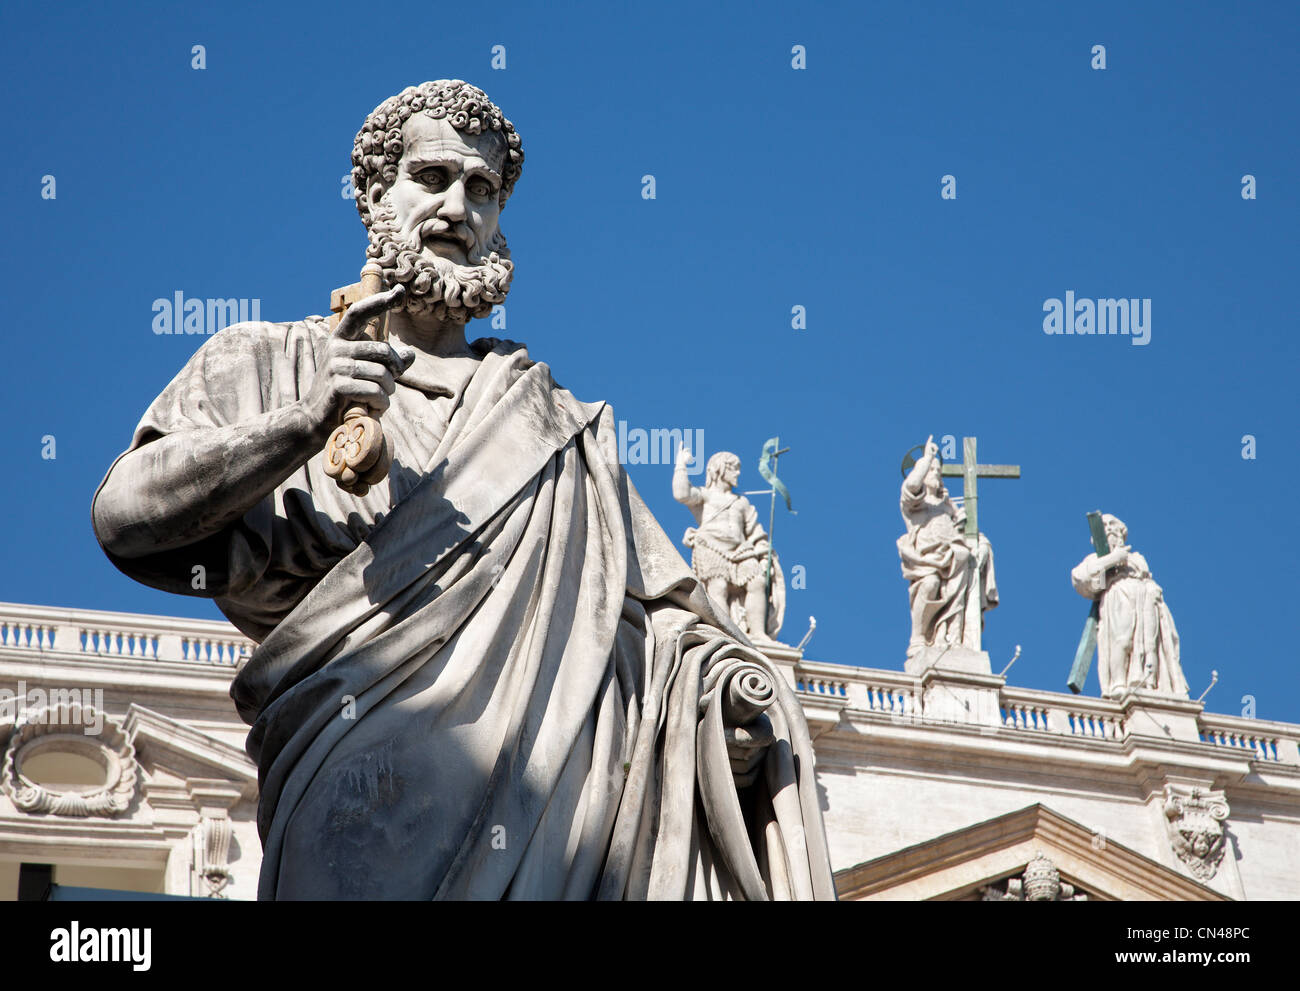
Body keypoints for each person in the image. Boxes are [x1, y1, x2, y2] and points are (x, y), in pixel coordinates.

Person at [92, 80, 832, 900]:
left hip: (549, 829)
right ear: (376, 193)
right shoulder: (272, 359)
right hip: (350, 799)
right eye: (433, 178)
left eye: (482, 190)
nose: (458, 206)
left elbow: (657, 630)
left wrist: (714, 706)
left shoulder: (552, 422)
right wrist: (299, 426)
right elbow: (125, 517)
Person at [897, 435, 997, 659]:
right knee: (931, 582)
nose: (937, 474)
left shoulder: (948, 506)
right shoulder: (913, 505)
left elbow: (965, 532)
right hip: (926, 560)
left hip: (953, 560)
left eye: (938, 470)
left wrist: (981, 545)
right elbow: (911, 486)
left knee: (963, 555)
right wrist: (926, 460)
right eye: (933, 470)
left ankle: (950, 635)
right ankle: (919, 637)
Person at [1071, 514, 1186, 698]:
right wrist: (1114, 558)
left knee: (1149, 645)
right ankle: (1118, 683)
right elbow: (1083, 578)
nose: (1108, 528)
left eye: (1112, 524)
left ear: (1121, 531)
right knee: (1122, 640)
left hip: (1146, 600)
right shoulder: (1095, 558)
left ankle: (1148, 682)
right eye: (1104, 526)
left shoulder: (1137, 558)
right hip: (1118, 596)